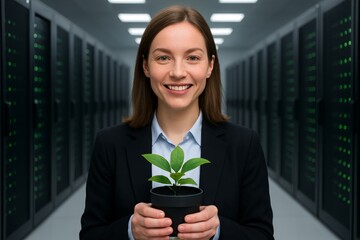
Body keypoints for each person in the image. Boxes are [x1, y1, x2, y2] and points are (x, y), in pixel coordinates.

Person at [80, 5, 274, 240]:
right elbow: (91, 234)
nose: (178, 72)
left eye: (192, 57)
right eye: (163, 57)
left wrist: (218, 230)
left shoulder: (244, 145)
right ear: (145, 66)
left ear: (210, 66)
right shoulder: (110, 144)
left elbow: (262, 235)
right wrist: (130, 229)